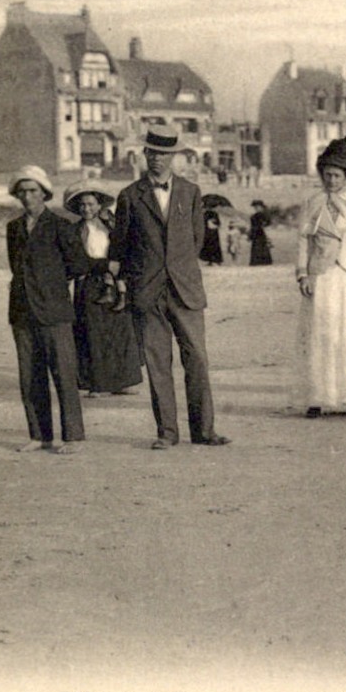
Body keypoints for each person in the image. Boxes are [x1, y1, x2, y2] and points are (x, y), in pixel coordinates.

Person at [108, 127, 231, 450]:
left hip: (185, 290)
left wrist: (176, 268)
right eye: (151, 153)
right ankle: (167, 432)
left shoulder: (191, 192)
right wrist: (129, 281)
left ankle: (204, 431)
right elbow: (120, 246)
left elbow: (196, 240)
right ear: (144, 154)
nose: (157, 159)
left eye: (163, 154)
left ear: (174, 156)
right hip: (147, 292)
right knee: (158, 363)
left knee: (198, 360)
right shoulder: (129, 196)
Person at [6, 166, 95, 454]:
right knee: (30, 376)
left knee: (64, 374)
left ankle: (72, 437)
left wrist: (52, 283)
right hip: (21, 311)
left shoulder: (60, 226)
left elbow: (79, 265)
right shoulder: (13, 228)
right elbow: (15, 267)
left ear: (44, 193)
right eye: (22, 191)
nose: (27, 196)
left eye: (33, 190)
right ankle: (39, 435)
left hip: (55, 310)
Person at [295, 131, 346, 418]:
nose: (331, 181)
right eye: (327, 175)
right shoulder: (312, 203)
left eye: (337, 176)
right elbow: (303, 240)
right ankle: (318, 398)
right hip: (321, 277)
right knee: (322, 334)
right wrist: (303, 275)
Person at [64, 181, 143, 397]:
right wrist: (103, 265)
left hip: (116, 281)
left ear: (99, 205)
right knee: (92, 333)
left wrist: (120, 271)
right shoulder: (73, 231)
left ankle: (122, 381)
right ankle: (96, 384)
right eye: (82, 205)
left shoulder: (112, 226)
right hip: (88, 284)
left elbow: (125, 248)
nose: (86, 209)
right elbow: (76, 261)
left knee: (119, 329)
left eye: (90, 204)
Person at [246, 200, 274, 266]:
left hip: (260, 233)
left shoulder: (264, 214)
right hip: (257, 233)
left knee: (261, 247)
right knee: (257, 247)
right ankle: (259, 261)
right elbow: (253, 226)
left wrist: (264, 225)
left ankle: (262, 261)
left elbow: (267, 223)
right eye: (255, 207)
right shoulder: (255, 216)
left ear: (261, 207)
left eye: (257, 207)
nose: (256, 208)